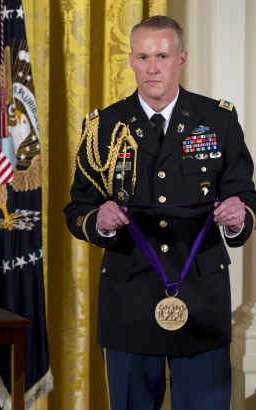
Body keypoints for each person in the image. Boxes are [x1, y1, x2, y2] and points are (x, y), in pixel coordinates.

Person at [65, 16, 256, 409]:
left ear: (181, 58)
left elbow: (244, 197)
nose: (153, 67)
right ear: (131, 60)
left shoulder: (217, 120)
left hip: (201, 300)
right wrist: (97, 222)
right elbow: (77, 208)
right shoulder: (103, 127)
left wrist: (238, 219)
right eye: (143, 56)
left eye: (163, 56)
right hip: (129, 301)